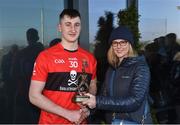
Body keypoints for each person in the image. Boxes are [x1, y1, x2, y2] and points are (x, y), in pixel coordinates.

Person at [29, 9, 97, 124]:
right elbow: (34, 96)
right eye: (68, 24)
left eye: (77, 25)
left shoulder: (90, 59)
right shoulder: (45, 56)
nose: (73, 29)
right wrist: (68, 114)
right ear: (60, 27)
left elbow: (92, 88)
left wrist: (87, 105)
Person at [82, 26, 152, 124]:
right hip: (114, 121)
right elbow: (104, 96)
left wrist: (97, 101)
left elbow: (134, 101)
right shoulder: (112, 69)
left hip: (135, 121)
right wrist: (90, 110)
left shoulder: (140, 67)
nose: (119, 46)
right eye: (115, 43)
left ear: (129, 44)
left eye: (123, 42)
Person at [13, 28, 44, 123]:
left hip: (24, 91)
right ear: (37, 37)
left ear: (27, 38)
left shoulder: (20, 54)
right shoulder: (44, 54)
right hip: (40, 92)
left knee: (23, 117)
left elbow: (14, 74)